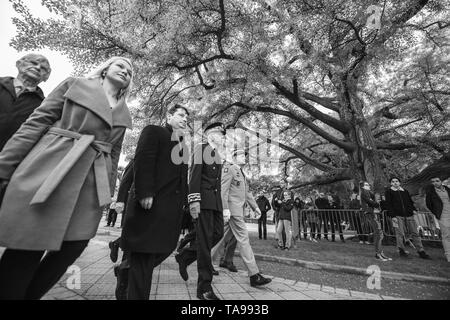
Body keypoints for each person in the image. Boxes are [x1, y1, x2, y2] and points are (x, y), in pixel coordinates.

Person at [0, 56, 133, 300]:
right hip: (51, 169)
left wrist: (108, 192)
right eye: (120, 65)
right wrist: (4, 167)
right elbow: (35, 124)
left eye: (129, 71)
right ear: (105, 69)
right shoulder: (75, 84)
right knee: (29, 247)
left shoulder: (124, 113)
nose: (125, 71)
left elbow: (114, 155)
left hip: (90, 187)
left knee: (72, 247)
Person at [119, 104, 189, 300]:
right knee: (144, 257)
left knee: (166, 248)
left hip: (171, 210)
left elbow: (183, 178)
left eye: (187, 118)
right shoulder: (154, 131)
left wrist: (185, 202)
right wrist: (144, 192)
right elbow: (143, 160)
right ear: (168, 116)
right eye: (181, 115)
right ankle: (132, 281)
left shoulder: (183, 145)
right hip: (150, 205)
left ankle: (126, 268)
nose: (185, 120)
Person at [175, 122, 226, 300]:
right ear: (209, 134)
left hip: (215, 204)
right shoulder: (201, 148)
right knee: (204, 244)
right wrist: (194, 200)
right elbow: (194, 174)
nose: (222, 136)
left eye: (223, 134)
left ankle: (186, 256)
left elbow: (218, 184)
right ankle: (204, 288)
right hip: (203, 202)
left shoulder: (216, 154)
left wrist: (222, 207)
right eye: (219, 133)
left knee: (218, 234)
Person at [211, 149, 272, 287]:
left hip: (238, 211)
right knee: (244, 240)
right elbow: (223, 190)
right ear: (233, 157)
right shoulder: (229, 169)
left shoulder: (241, 173)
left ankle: (206, 262)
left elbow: (247, 193)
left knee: (220, 238)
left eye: (245, 155)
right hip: (233, 212)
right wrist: (225, 209)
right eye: (240, 155)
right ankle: (254, 274)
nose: (243, 157)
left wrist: (255, 207)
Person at [0, 53, 51, 151]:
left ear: (46, 76)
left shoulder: (44, 106)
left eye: (43, 68)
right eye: (33, 62)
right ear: (19, 64)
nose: (37, 67)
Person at [384, 177, 431, 259]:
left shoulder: (405, 191)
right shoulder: (389, 192)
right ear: (391, 183)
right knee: (400, 234)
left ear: (399, 182)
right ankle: (401, 250)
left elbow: (410, 202)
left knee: (415, 233)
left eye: (397, 181)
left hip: (409, 215)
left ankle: (421, 251)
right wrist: (392, 216)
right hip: (397, 216)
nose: (395, 183)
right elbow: (389, 204)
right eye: (393, 181)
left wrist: (413, 210)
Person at [359, 181, 392, 261]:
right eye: (366, 185)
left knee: (380, 234)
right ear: (362, 187)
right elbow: (372, 203)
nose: (368, 185)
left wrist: (377, 202)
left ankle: (380, 252)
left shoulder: (369, 193)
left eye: (368, 184)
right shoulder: (364, 193)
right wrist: (377, 203)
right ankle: (378, 254)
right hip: (370, 214)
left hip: (373, 214)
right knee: (378, 233)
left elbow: (375, 201)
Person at [425, 177, 450, 262]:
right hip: (443, 216)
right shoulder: (431, 193)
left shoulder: (447, 189)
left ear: (441, 181)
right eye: (433, 182)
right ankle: (448, 255)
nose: (435, 183)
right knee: (446, 236)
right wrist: (436, 213)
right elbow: (429, 205)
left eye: (437, 181)